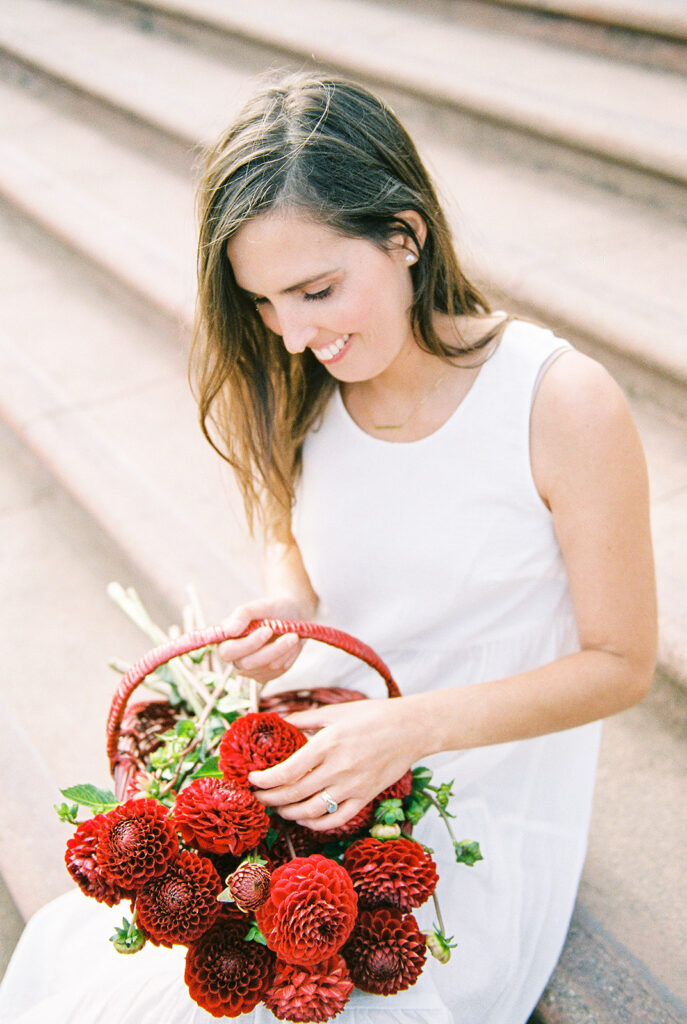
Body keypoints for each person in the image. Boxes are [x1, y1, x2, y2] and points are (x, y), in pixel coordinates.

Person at [0, 71, 656, 1024]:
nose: (296, 333)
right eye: (264, 301)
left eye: (317, 289)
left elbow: (621, 665)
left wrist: (412, 727)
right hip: (330, 745)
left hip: (474, 777)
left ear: (405, 235)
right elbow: (292, 547)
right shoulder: (294, 383)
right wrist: (291, 606)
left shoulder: (558, 401)